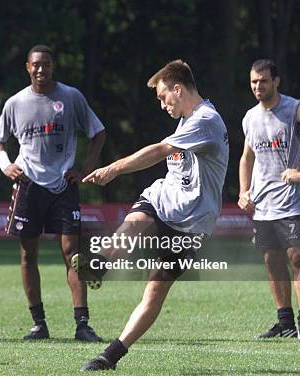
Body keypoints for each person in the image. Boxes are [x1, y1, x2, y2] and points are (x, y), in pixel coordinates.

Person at [76, 60, 229, 371]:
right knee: (134, 225)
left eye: (163, 97)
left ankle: (111, 355)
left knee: (155, 288)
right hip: (161, 201)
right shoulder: (188, 120)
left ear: (178, 89)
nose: (162, 104)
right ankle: (100, 265)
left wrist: (113, 168)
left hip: (192, 224)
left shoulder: (206, 120)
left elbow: (160, 151)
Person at [0, 45, 106, 341]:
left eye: (46, 64)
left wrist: (85, 171)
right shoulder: (16, 102)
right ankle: (38, 324)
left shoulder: (71, 97)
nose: (41, 69)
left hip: (63, 187)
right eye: (36, 65)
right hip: (28, 186)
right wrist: (6, 164)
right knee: (29, 253)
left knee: (72, 253)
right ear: (27, 67)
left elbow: (98, 132)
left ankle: (83, 324)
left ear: (53, 66)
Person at [238, 59, 300, 342]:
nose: (258, 86)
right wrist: (243, 191)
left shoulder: (295, 108)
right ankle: (285, 322)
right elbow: (246, 158)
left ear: (276, 81)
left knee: (297, 257)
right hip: (263, 204)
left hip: (292, 202)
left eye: (263, 81)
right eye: (254, 81)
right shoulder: (250, 117)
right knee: (272, 260)